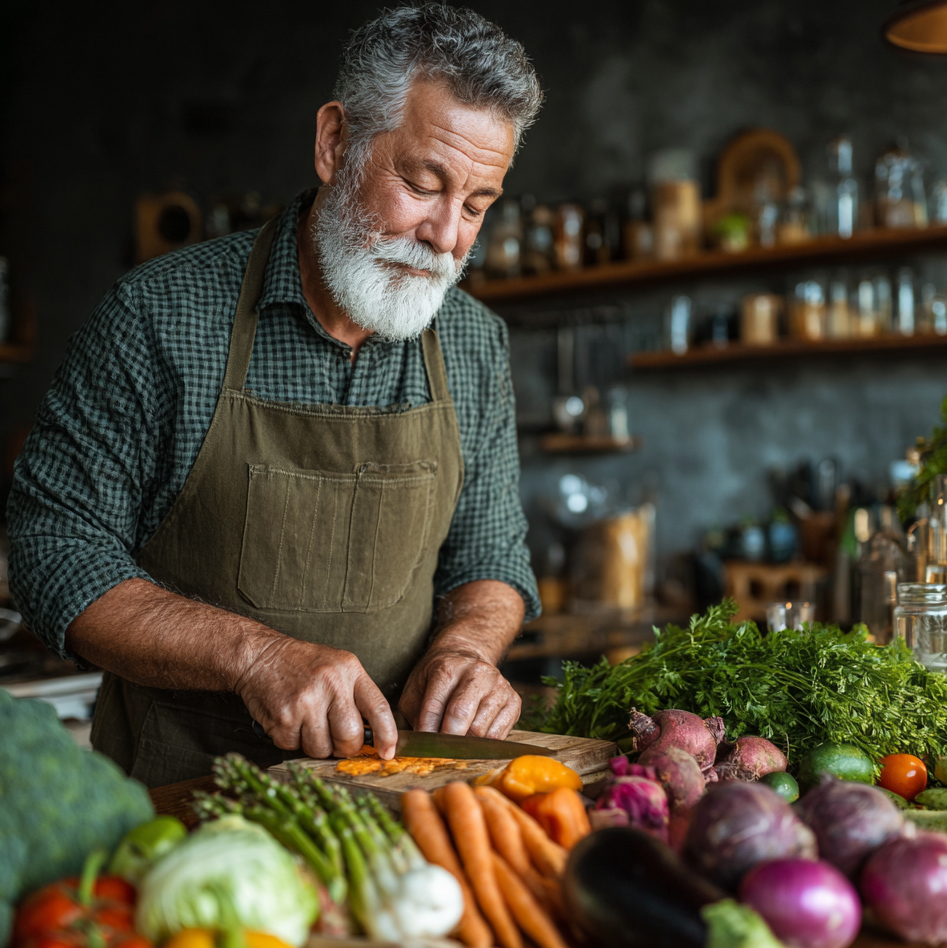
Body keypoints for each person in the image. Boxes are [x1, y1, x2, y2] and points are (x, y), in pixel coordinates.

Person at [7, 5, 544, 787]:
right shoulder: (157, 318)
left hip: (399, 797)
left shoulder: (474, 343)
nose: (446, 235)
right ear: (335, 143)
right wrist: (254, 656)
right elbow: (55, 552)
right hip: (183, 800)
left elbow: (490, 557)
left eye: (475, 204)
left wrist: (466, 648)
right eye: (422, 184)